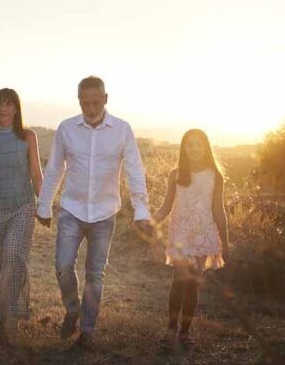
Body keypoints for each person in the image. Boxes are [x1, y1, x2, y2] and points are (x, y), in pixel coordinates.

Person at [37, 76, 153, 349]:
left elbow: (135, 170)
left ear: (106, 99)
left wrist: (141, 210)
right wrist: (44, 205)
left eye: (95, 102)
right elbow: (55, 169)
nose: (90, 108)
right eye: (85, 103)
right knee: (63, 265)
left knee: (95, 273)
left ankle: (87, 331)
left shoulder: (122, 130)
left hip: (104, 212)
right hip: (71, 209)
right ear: (79, 101)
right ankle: (73, 308)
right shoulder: (66, 129)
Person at [151, 129, 229, 350]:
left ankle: (185, 333)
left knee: (193, 283)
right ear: (183, 148)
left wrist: (225, 241)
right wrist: (150, 220)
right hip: (180, 233)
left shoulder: (215, 176)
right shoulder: (176, 174)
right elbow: (166, 206)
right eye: (189, 145)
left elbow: (218, 211)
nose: (194, 149)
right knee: (179, 278)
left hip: (203, 233)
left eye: (198, 144)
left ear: (206, 148)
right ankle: (170, 329)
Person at [0, 88, 43, 340]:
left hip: (22, 206)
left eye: (8, 104)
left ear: (16, 108)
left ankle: (12, 315)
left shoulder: (28, 136)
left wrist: (44, 206)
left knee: (14, 256)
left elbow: (36, 174)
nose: (3, 109)